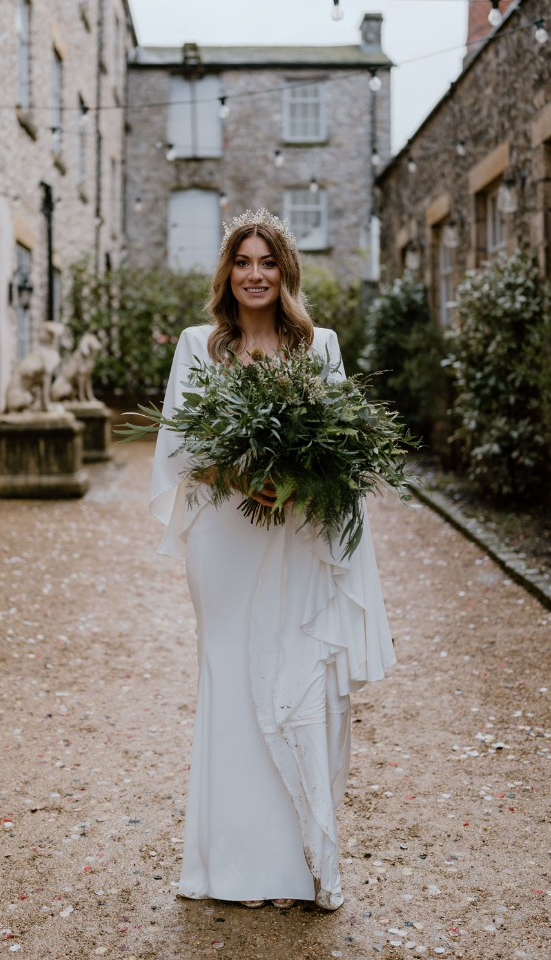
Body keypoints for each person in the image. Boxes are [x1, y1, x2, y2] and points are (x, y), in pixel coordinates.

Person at [149, 209, 395, 911]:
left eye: (267, 263)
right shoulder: (200, 346)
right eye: (242, 262)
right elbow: (179, 448)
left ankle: (293, 867)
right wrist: (241, 479)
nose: (254, 275)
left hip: (296, 537)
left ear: (286, 271)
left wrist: (296, 482)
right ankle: (228, 867)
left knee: (295, 685)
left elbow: (342, 452)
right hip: (226, 539)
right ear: (227, 272)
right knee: (230, 680)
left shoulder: (321, 348)